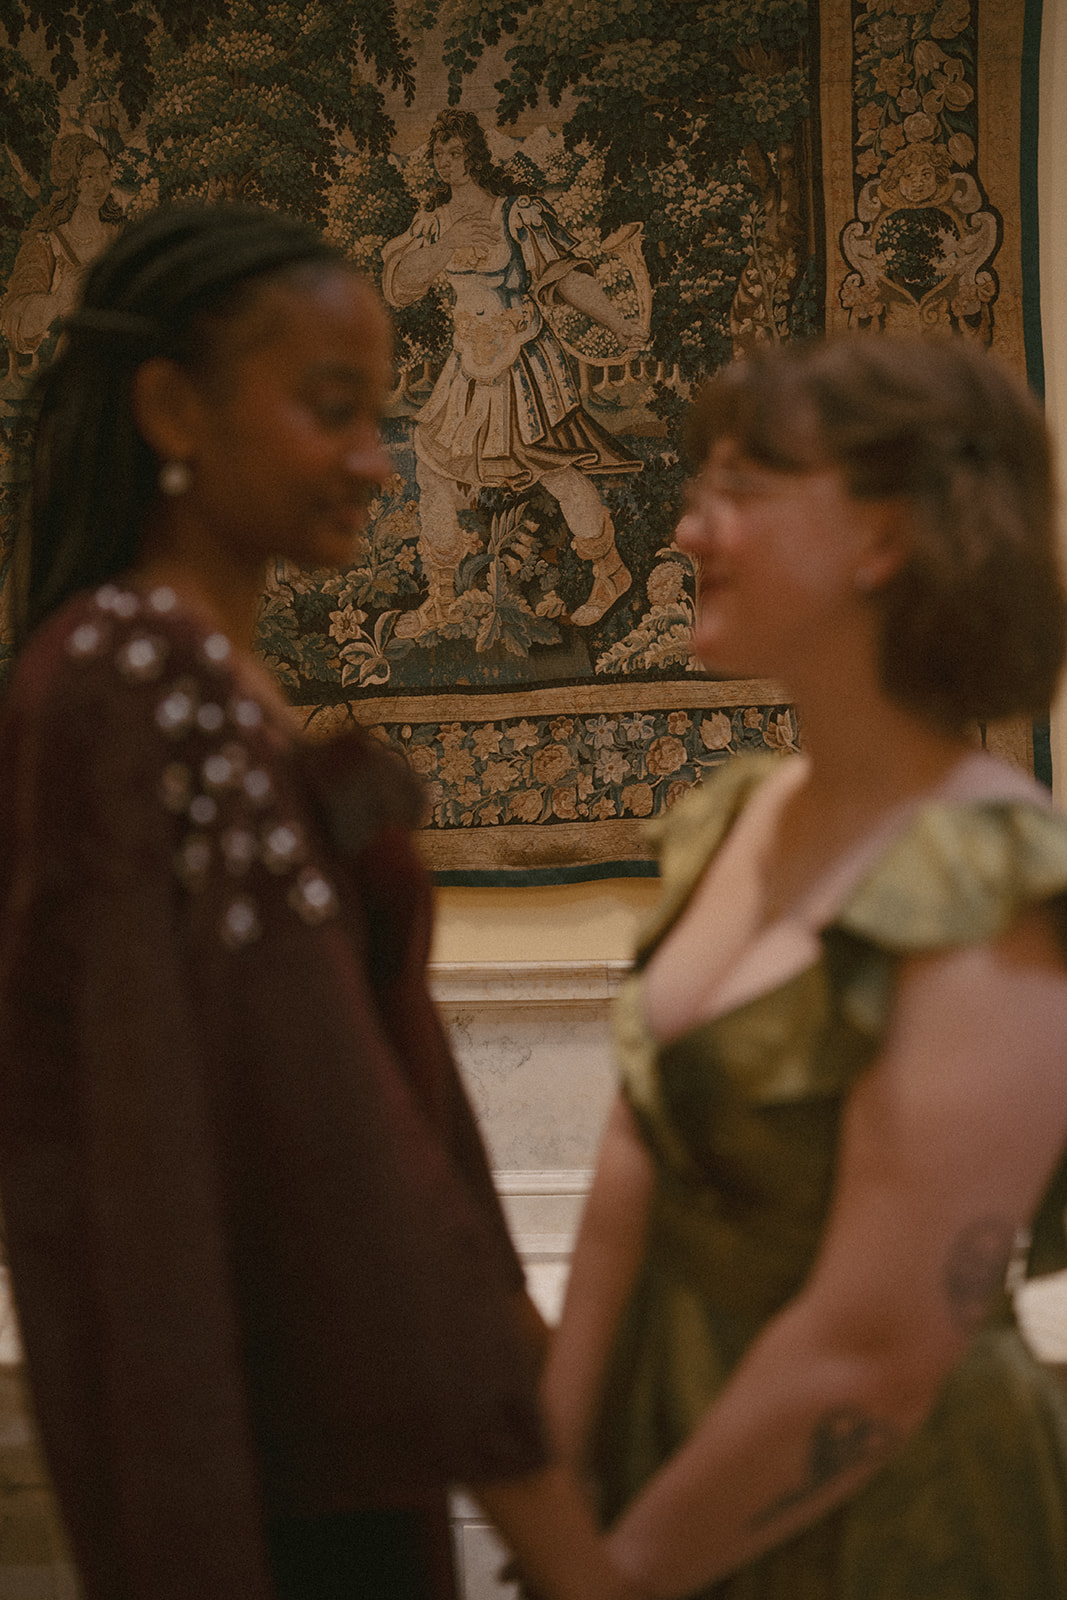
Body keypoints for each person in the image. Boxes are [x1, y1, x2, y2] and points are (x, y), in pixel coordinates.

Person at [0, 202, 642, 1600]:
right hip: (284, 1418)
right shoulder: (135, 674)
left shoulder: (194, 675)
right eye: (329, 409)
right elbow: (321, 1130)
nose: (374, 458)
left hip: (322, 1395)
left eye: (381, 412)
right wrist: (548, 1522)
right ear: (172, 404)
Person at [542, 334, 1067, 1598]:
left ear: (885, 539)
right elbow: (627, 1185)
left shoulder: (993, 880)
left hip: (891, 1520)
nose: (685, 534)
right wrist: (550, 1497)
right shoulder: (732, 815)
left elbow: (873, 1352)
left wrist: (618, 1577)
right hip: (661, 1452)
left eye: (738, 492)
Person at [382, 108, 647, 636]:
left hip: (524, 361)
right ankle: (440, 598)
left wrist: (619, 323)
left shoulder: (517, 212)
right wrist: (447, 245)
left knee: (556, 468)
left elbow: (566, 279)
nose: (447, 163)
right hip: (467, 364)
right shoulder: (434, 221)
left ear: (475, 156)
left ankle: (610, 573)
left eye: (456, 153)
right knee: (434, 470)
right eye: (439, 154)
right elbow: (399, 288)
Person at [1, 132, 124, 381]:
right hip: (74, 362)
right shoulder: (47, 242)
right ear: (72, 181)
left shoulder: (120, 234)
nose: (100, 184)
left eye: (105, 173)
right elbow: (17, 323)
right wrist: (62, 296)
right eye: (89, 175)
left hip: (120, 359)